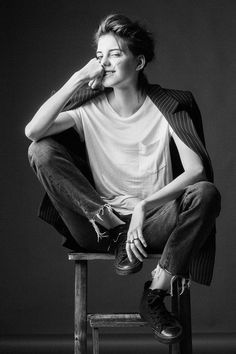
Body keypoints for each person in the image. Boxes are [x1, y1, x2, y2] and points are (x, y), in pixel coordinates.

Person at [25, 14, 221, 345]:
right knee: (40, 150)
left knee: (205, 193)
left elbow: (196, 171)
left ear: (139, 61)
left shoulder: (168, 107)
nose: (104, 63)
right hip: (97, 226)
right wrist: (77, 78)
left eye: (114, 54)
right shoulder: (87, 108)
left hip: (151, 225)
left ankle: (155, 295)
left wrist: (144, 205)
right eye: (99, 56)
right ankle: (113, 228)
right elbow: (33, 132)